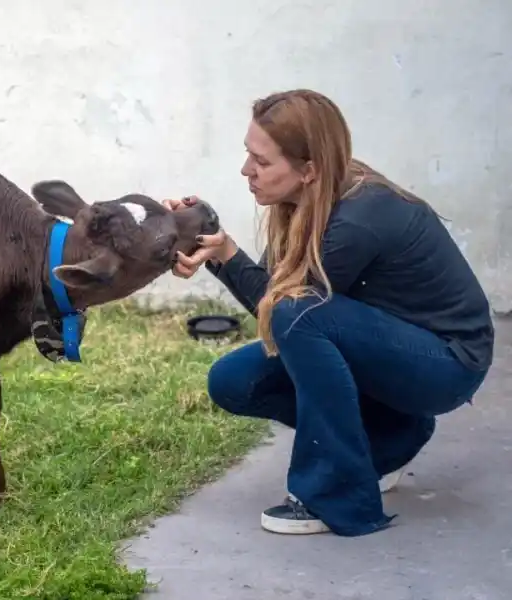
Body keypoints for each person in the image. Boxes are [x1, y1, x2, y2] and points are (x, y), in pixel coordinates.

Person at [165, 89, 494, 537]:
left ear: (309, 169)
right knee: (233, 381)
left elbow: (285, 310)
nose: (246, 170)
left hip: (446, 365)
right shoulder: (307, 198)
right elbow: (275, 302)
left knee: (300, 315)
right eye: (248, 154)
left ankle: (337, 494)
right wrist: (218, 250)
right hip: (390, 349)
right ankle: (392, 435)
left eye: (261, 161)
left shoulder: (359, 218)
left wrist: (227, 256)